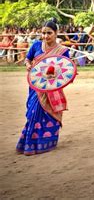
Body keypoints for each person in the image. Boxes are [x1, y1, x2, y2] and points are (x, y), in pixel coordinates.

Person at [16, 18, 71, 155]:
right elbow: (28, 59)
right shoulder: (36, 45)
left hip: (52, 88)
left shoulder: (62, 50)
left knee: (48, 113)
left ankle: (46, 143)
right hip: (36, 86)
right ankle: (29, 144)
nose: (46, 36)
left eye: (49, 33)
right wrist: (28, 65)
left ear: (56, 33)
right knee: (33, 112)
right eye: (44, 33)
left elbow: (66, 68)